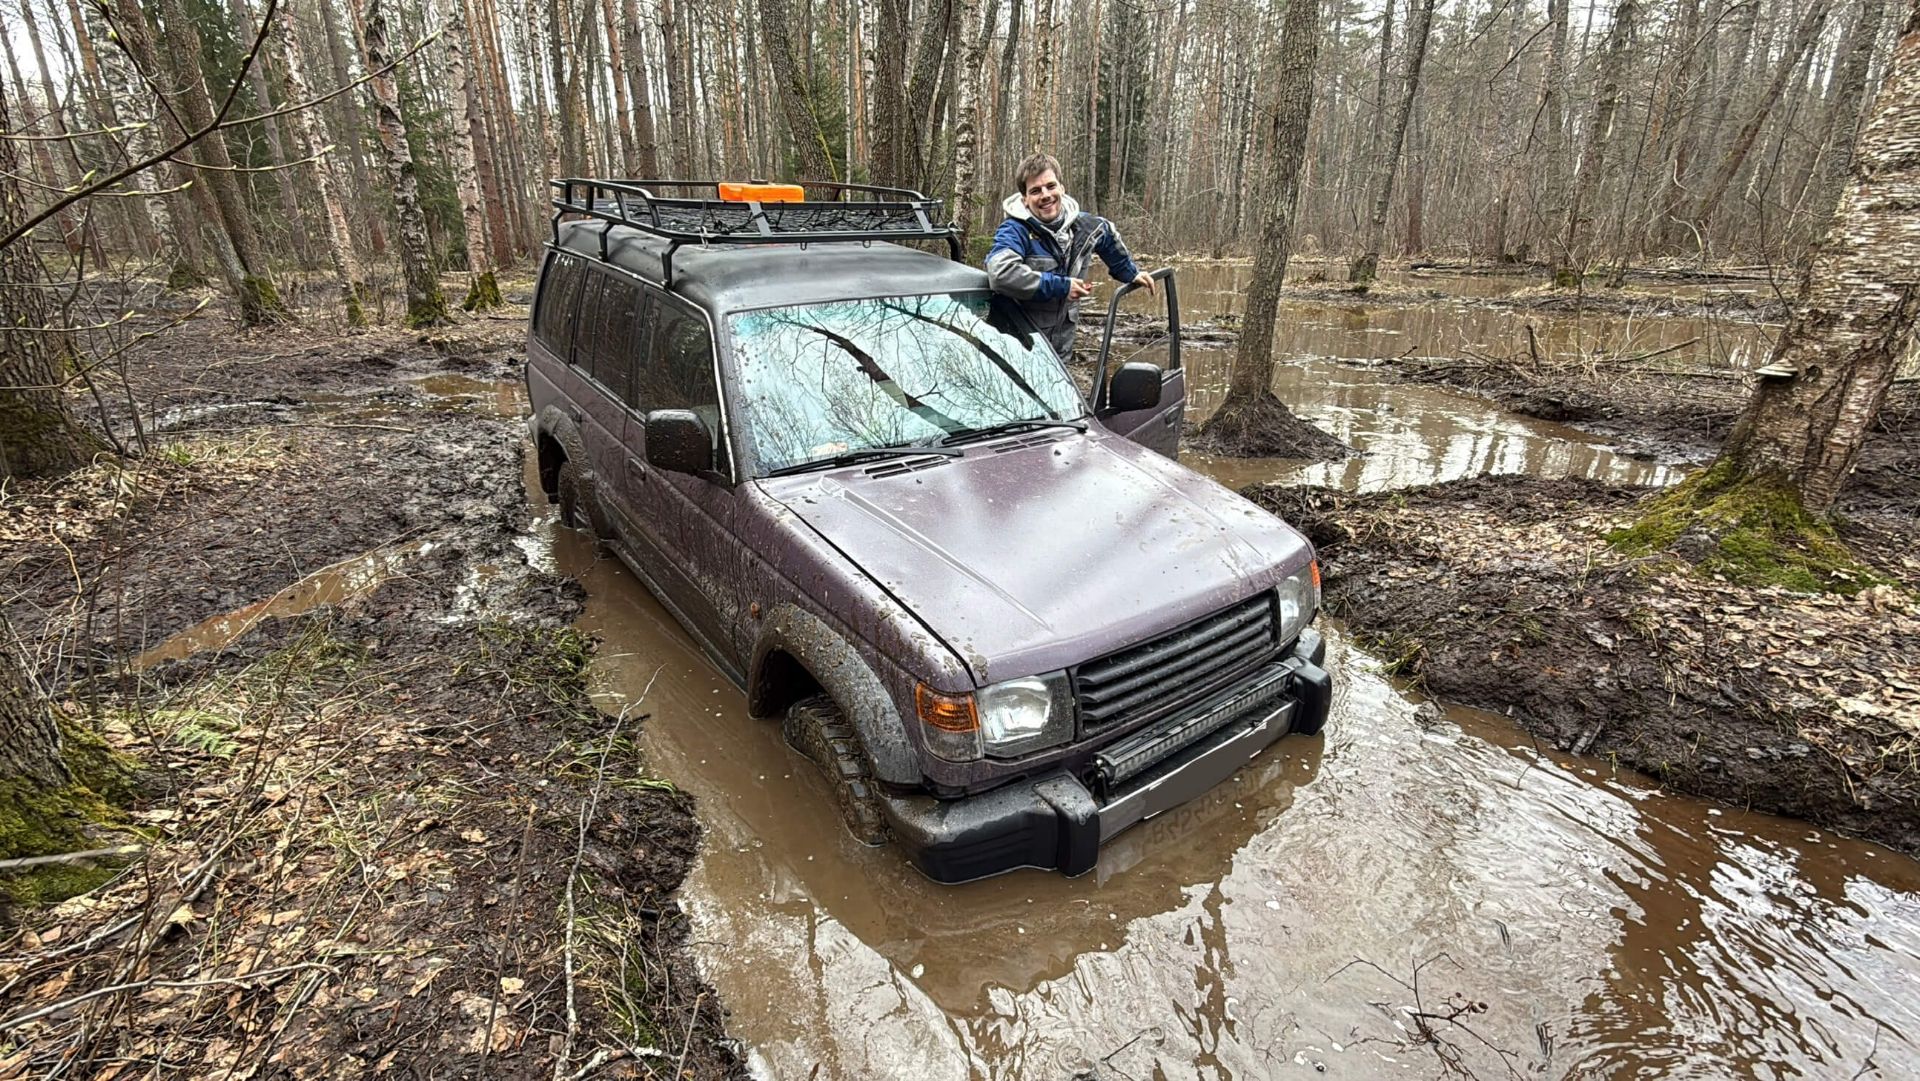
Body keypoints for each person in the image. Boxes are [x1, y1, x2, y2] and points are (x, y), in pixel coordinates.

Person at [984, 154, 1153, 360]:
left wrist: (1130, 273)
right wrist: (1062, 286)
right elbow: (1000, 274)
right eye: (1035, 191)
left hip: (1060, 352)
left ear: (1061, 189)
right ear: (1025, 200)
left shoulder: (1084, 226)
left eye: (1051, 186)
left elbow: (1106, 234)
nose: (1045, 195)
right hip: (1016, 353)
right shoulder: (1014, 231)